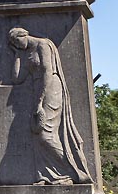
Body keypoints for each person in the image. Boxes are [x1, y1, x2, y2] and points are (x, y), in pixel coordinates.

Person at [7, 27, 92, 185]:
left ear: (23, 35)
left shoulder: (43, 45)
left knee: (46, 134)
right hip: (37, 90)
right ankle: (47, 175)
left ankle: (73, 173)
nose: (16, 45)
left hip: (50, 89)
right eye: (13, 44)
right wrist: (17, 55)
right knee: (37, 135)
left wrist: (40, 101)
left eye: (16, 41)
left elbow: (47, 71)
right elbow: (17, 78)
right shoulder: (27, 53)